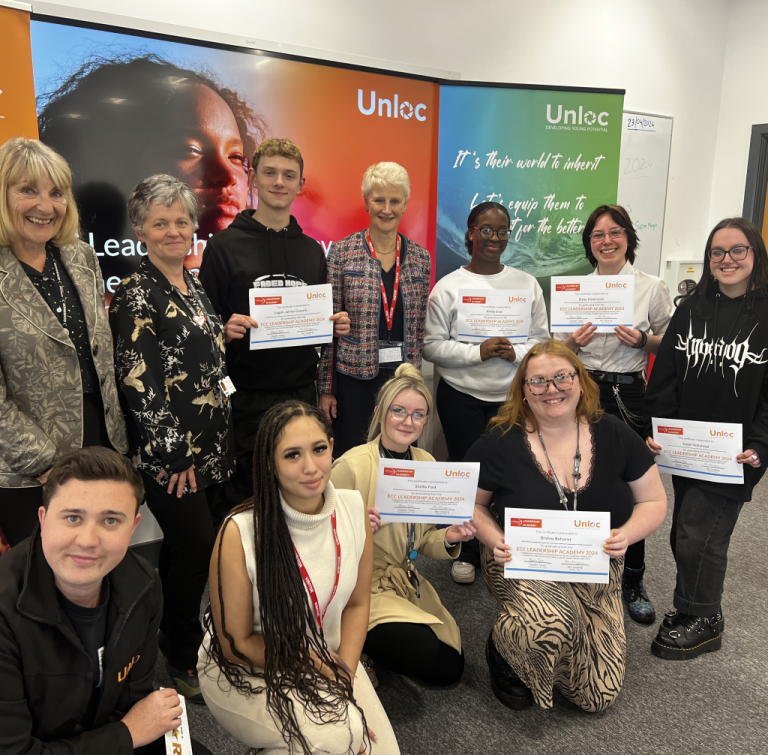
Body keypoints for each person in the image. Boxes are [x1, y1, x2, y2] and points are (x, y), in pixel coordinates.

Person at [466, 340, 666, 712]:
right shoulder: (500, 440)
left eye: (561, 377)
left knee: (596, 697)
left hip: (595, 561)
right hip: (518, 559)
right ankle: (505, 645)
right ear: (523, 391)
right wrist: (496, 540)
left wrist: (626, 534)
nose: (551, 389)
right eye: (537, 381)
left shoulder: (616, 433)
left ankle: (552, 633)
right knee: (550, 623)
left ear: (580, 380)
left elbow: (654, 501)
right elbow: (473, 506)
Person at [198, 401, 399, 754]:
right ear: (270, 464)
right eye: (292, 455)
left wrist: (346, 678)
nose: (310, 467)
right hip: (251, 667)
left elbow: (357, 603)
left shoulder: (353, 508)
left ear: (332, 447)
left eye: (319, 449)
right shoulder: (240, 531)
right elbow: (237, 644)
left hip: (330, 657)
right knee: (339, 738)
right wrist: (320, 668)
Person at [0, 446, 212, 755]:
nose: (87, 540)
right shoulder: (5, 610)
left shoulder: (144, 585)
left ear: (133, 527)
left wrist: (125, 733)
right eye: (73, 517)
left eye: (111, 521)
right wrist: (126, 735)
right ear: (43, 520)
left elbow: (130, 698)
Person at [110, 174, 233, 703]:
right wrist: (173, 452)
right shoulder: (136, 294)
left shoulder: (192, 282)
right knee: (198, 545)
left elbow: (193, 354)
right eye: (161, 222)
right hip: (172, 455)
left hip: (211, 443)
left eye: (181, 221)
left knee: (182, 552)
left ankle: (161, 626)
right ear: (140, 228)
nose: (173, 231)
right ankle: (181, 653)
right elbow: (139, 381)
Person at [200, 137, 350, 509]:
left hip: (301, 392)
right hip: (245, 398)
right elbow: (201, 326)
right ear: (253, 178)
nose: (278, 182)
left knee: (298, 495)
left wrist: (332, 324)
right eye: (269, 173)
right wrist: (223, 330)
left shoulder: (312, 250)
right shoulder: (223, 246)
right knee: (247, 500)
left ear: (300, 185)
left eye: (288, 175)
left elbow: (317, 321)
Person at [644, 217, 768, 660]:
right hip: (686, 448)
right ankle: (689, 605)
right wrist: (657, 427)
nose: (727, 259)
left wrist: (761, 444)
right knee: (685, 530)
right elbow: (666, 375)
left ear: (755, 256)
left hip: (734, 453)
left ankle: (705, 617)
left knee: (702, 534)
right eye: (718, 252)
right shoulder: (692, 308)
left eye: (738, 250)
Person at [37, 54, 265, 285]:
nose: (228, 176)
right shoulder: (92, 294)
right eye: (190, 150)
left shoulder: (252, 280)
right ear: (114, 164)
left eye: (236, 156)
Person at [0, 137, 127, 546]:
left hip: (102, 442)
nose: (46, 205)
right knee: (42, 582)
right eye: (28, 190)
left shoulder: (80, 257)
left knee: (101, 564)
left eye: (56, 192)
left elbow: (100, 356)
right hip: (29, 465)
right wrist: (45, 462)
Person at [554, 204, 673, 624]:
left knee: (631, 485)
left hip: (628, 392)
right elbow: (555, 353)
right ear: (589, 244)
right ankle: (577, 564)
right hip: (580, 390)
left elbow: (670, 344)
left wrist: (644, 339)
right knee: (575, 477)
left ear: (628, 238)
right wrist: (572, 342)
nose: (606, 241)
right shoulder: (574, 289)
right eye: (597, 235)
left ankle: (633, 578)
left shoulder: (651, 286)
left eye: (615, 232)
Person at [423, 201, 549, 584]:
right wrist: (476, 352)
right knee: (467, 473)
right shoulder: (448, 287)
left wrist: (518, 353)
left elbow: (541, 340)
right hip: (461, 396)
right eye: (487, 229)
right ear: (471, 232)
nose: (495, 238)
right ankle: (472, 554)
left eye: (503, 230)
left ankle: (512, 548)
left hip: (511, 398)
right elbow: (431, 346)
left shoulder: (526, 284)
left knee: (511, 472)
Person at [331, 364, 477, 687]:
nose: (408, 422)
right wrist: (356, 531)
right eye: (399, 411)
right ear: (380, 412)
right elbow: (319, 540)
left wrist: (450, 537)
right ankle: (355, 643)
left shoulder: (426, 464)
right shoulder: (351, 467)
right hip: (358, 586)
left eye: (418, 414)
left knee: (450, 668)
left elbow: (421, 541)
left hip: (404, 577)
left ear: (426, 421)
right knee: (420, 651)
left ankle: (375, 639)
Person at [319, 162, 431, 459]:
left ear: (405, 204)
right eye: (379, 200)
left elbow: (418, 332)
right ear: (367, 202)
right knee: (353, 456)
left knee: (399, 457)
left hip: (402, 379)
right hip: (355, 379)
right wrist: (326, 389)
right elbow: (329, 331)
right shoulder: (342, 252)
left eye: (395, 200)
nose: (387, 208)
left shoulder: (421, 258)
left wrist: (416, 385)